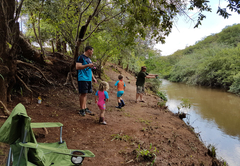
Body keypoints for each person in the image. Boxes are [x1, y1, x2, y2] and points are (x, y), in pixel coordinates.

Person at [76, 46, 97, 116]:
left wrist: (93, 78)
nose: (92, 53)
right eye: (92, 51)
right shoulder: (81, 57)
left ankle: (85, 108)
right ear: (89, 50)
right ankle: (81, 109)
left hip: (88, 79)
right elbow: (77, 67)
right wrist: (87, 65)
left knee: (85, 94)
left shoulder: (89, 59)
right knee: (83, 93)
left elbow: (90, 70)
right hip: (82, 78)